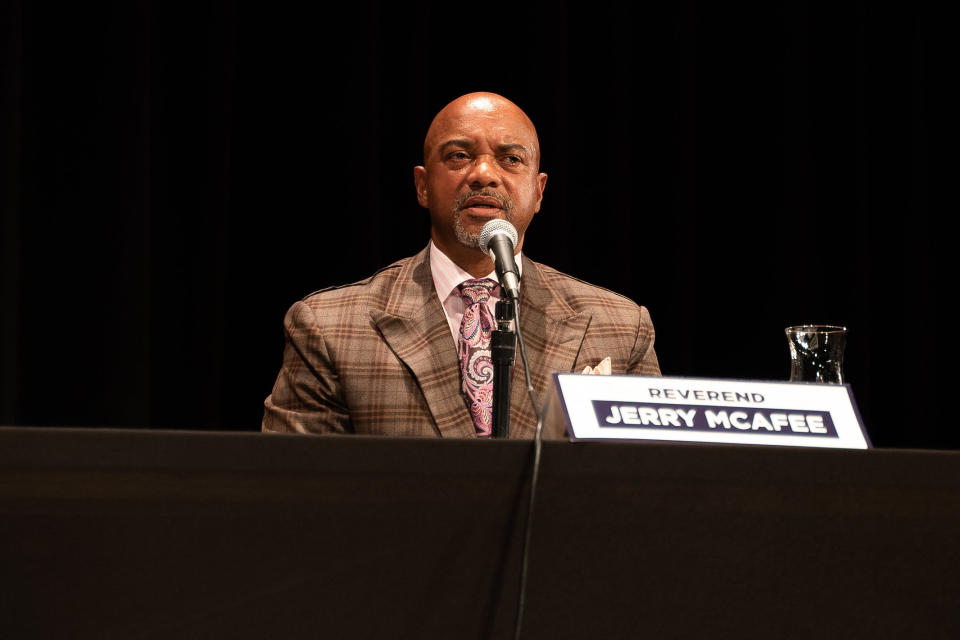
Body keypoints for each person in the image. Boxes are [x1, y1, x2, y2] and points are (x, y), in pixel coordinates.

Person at [262, 92, 660, 438]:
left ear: (538, 192)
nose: (484, 174)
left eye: (510, 158)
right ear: (422, 185)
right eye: (459, 156)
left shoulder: (621, 328)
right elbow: (293, 495)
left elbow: (656, 490)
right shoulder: (329, 327)